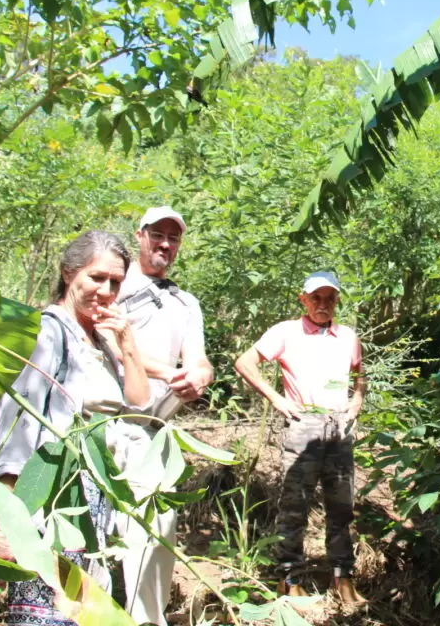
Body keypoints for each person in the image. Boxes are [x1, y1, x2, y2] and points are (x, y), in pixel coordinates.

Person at [0, 230, 152, 626]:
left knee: (78, 611)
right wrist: (5, 519)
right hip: (52, 497)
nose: (106, 291)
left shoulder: (96, 340)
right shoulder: (49, 332)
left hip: (90, 500)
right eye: (97, 277)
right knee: (46, 611)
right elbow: (19, 424)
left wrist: (126, 341)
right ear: (68, 273)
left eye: (115, 282)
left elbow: (140, 401)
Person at [234, 271, 367, 604]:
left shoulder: (347, 336)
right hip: (303, 425)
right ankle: (289, 578)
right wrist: (276, 399)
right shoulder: (286, 332)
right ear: (303, 299)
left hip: (339, 427)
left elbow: (359, 372)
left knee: (342, 507)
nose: (323, 304)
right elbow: (245, 362)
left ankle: (342, 578)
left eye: (330, 298)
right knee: (294, 506)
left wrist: (357, 400)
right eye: (316, 297)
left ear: (337, 301)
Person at [114, 205, 214, 626]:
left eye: (173, 238)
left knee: (156, 529)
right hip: (103, 422)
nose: (165, 244)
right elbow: (107, 341)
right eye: (157, 234)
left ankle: (145, 620)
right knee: (91, 534)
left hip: (152, 431)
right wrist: (169, 373)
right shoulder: (111, 284)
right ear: (139, 235)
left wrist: (199, 377)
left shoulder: (184, 303)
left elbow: (199, 359)